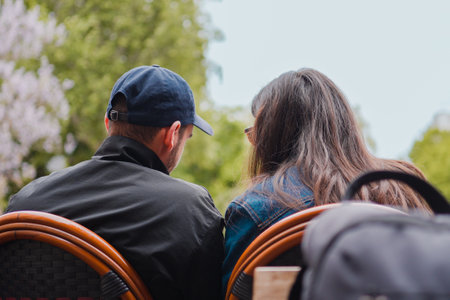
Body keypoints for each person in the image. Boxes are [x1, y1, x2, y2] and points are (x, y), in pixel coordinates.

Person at [6, 65, 224, 300]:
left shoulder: (26, 201)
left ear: (108, 124)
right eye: (187, 138)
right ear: (173, 134)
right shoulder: (190, 209)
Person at [222, 68, 431, 292]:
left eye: (255, 134)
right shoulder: (405, 186)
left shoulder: (255, 207)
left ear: (271, 136)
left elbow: (231, 293)